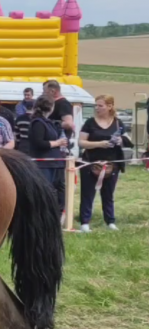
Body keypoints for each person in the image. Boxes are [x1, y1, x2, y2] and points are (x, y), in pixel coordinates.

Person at [78, 95, 126, 232]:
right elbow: (81, 142)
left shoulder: (117, 123)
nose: (97, 108)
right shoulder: (90, 123)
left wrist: (120, 141)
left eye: (100, 105)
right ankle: (85, 223)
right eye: (96, 105)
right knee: (87, 193)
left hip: (112, 164)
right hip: (90, 163)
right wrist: (100, 144)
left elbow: (126, 139)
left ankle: (110, 221)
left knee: (108, 194)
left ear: (109, 106)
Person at [29, 95, 67, 215]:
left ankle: (57, 214)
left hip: (54, 162)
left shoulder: (48, 122)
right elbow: (39, 143)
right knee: (45, 191)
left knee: (57, 190)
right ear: (51, 107)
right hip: (43, 164)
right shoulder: (38, 123)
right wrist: (57, 142)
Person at [42, 80, 74, 148]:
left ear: (53, 91)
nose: (43, 94)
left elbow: (68, 124)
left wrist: (49, 123)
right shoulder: (52, 103)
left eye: (45, 91)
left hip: (59, 144)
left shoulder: (63, 104)